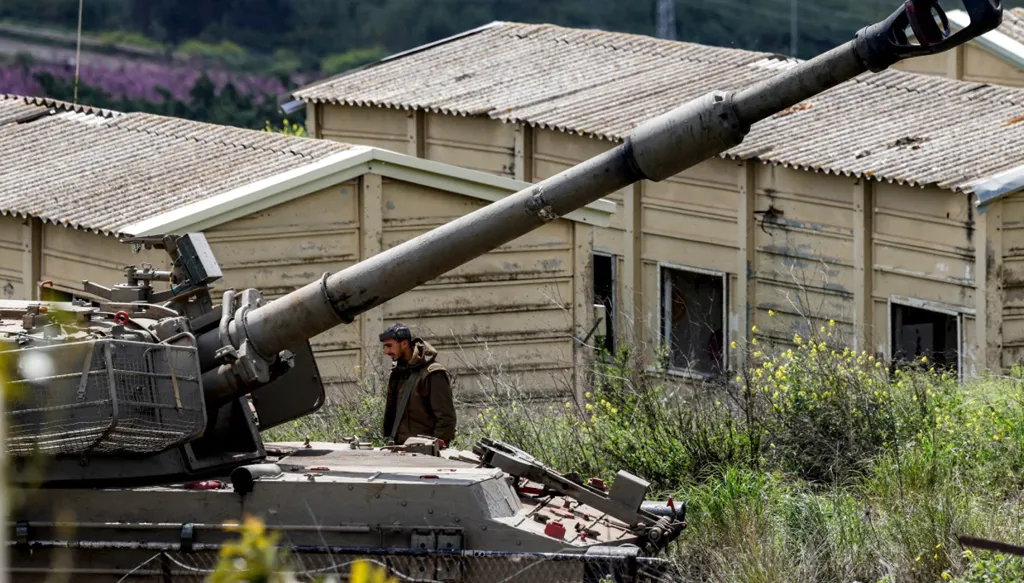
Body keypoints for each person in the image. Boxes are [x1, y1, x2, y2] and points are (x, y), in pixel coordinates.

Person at [379, 322, 456, 447]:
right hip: (400, 449)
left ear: (404, 344)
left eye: (389, 346)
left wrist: (435, 449)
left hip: (424, 453)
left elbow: (446, 419)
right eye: (384, 347)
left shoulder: (432, 373)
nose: (386, 351)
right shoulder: (398, 372)